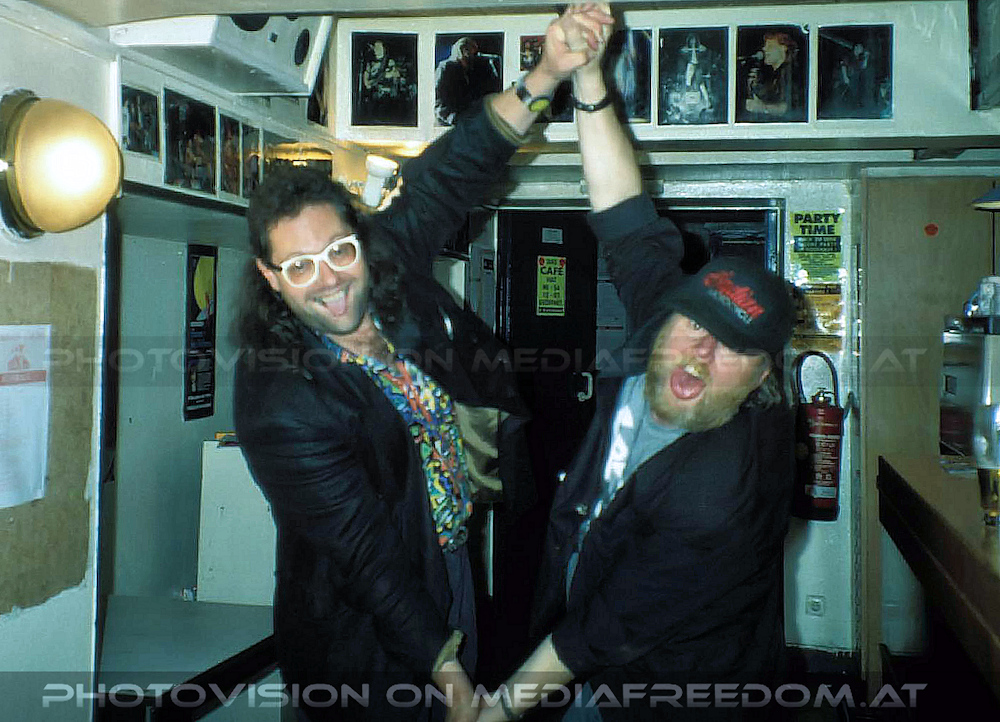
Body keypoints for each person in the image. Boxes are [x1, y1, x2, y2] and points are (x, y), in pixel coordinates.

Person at [232, 6, 613, 722]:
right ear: (271, 277)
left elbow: (449, 173)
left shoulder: (384, 266)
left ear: (359, 240)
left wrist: (544, 74)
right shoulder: (278, 397)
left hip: (446, 557)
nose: (329, 278)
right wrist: (451, 677)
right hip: (354, 629)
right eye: (300, 266)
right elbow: (363, 557)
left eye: (339, 251)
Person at [479, 4, 795, 721]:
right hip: (586, 622)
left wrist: (497, 711)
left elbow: (605, 629)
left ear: (761, 378)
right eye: (695, 325)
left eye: (734, 348)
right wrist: (589, 78)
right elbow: (624, 210)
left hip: (672, 689)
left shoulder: (719, 485)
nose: (701, 350)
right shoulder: (666, 325)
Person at [435, 37, 501, 126]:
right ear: (463, 51)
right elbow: (440, 103)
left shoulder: (473, 70)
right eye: (473, 52)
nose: (475, 56)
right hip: (449, 123)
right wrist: (456, 119)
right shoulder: (445, 68)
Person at [742, 31, 802, 121]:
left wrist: (761, 107)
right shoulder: (773, 74)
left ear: (783, 48)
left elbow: (787, 108)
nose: (764, 49)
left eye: (769, 46)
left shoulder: (790, 73)